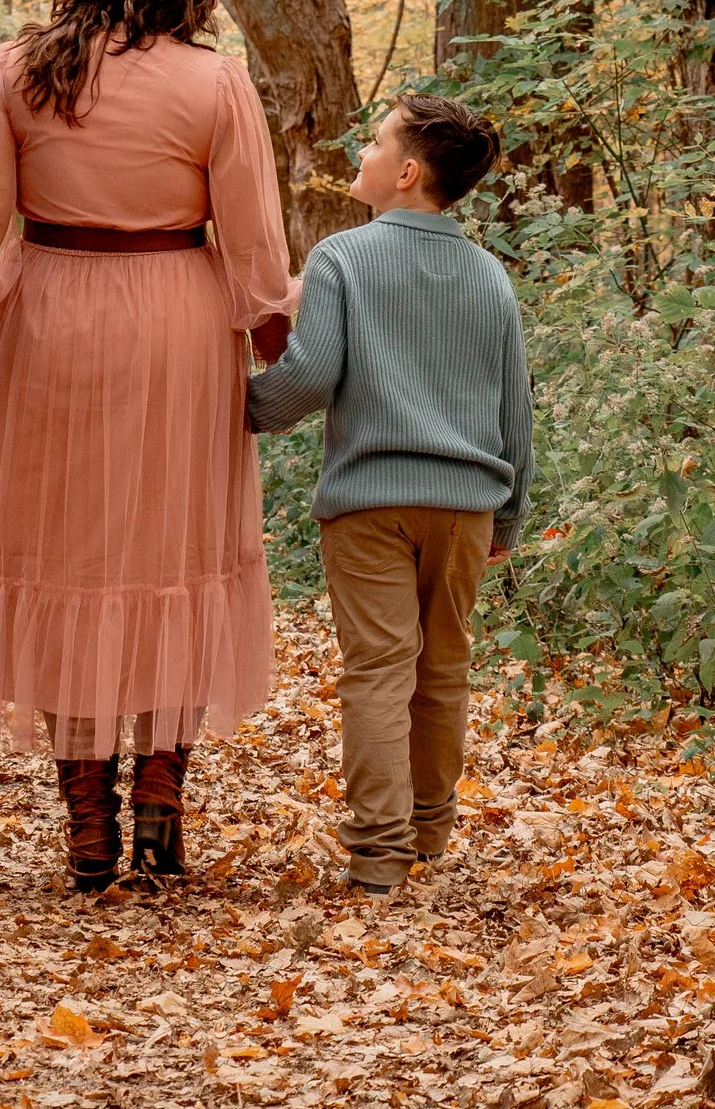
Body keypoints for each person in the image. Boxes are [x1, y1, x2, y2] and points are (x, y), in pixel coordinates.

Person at [0, 0, 299, 893]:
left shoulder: (12, 70)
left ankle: (88, 822)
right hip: (176, 324)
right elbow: (250, 243)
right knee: (175, 544)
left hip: (50, 319)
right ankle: (161, 782)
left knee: (61, 550)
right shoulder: (214, 81)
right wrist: (270, 327)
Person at [245, 93, 534, 895]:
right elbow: (517, 412)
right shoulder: (489, 276)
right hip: (468, 503)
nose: (361, 158)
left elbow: (307, 377)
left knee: (378, 669)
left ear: (407, 172)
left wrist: (241, 407)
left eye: (373, 145)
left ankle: (378, 851)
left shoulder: (344, 258)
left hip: (370, 500)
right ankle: (429, 828)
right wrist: (507, 514)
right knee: (443, 667)